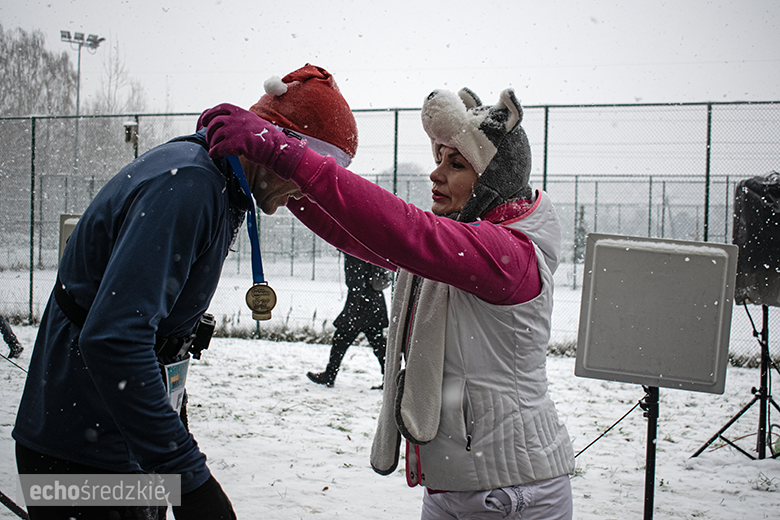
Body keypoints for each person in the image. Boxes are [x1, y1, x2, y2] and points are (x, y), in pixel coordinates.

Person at [200, 85, 575, 518]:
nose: (436, 174)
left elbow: (408, 232)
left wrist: (284, 154)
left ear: (493, 181)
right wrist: (282, 181)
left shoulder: (510, 254)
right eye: (439, 159)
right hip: (453, 485)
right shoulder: (464, 242)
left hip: (513, 492)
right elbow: (359, 235)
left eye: (455, 164)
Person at [13, 64, 358, 520]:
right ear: (278, 145)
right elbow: (115, 339)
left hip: (116, 442)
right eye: (310, 171)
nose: (309, 190)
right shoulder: (189, 185)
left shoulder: (217, 180)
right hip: (83, 457)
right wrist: (189, 480)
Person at [307, 252, 389, 388]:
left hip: (360, 305)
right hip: (374, 303)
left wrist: (351, 311)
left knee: (341, 340)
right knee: (378, 344)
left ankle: (329, 375)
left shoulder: (354, 252)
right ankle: (390, 379)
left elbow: (356, 284)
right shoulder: (366, 249)